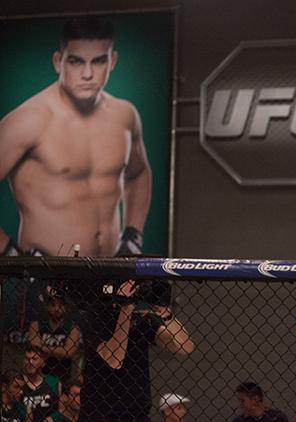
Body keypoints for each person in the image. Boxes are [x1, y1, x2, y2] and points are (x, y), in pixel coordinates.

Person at [0, 16, 151, 258]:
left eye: (99, 61)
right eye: (76, 62)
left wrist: (133, 236)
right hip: (48, 281)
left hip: (108, 272)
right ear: (58, 62)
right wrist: (9, 253)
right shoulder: (28, 121)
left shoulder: (124, 116)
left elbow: (139, 174)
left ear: (112, 61)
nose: (88, 74)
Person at [77, 279, 195, 422]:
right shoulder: (94, 316)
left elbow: (185, 347)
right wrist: (125, 309)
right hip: (100, 412)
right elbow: (115, 360)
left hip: (137, 412)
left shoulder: (143, 318)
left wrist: (166, 315)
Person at [27, 292, 81, 384]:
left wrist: (42, 348)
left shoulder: (72, 327)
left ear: (65, 307)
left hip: (64, 375)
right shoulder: (37, 324)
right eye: (53, 305)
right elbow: (33, 345)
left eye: (60, 305)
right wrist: (60, 351)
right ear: (47, 306)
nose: (56, 308)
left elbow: (68, 352)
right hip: (38, 375)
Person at [21, 346, 61, 422]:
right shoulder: (18, 382)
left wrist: (52, 418)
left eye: (34, 359)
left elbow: (62, 409)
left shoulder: (53, 382)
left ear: (42, 363)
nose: (30, 362)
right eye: (27, 359)